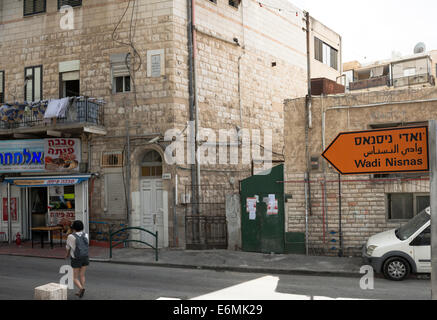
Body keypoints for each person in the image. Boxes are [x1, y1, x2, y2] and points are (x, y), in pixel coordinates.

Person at [64, 220, 89, 298]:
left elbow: (68, 248)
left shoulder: (71, 236)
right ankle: (80, 291)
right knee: (82, 275)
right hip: (85, 257)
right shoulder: (86, 235)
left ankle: (81, 289)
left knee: (74, 277)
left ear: (73, 228)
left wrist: (67, 255)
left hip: (76, 258)